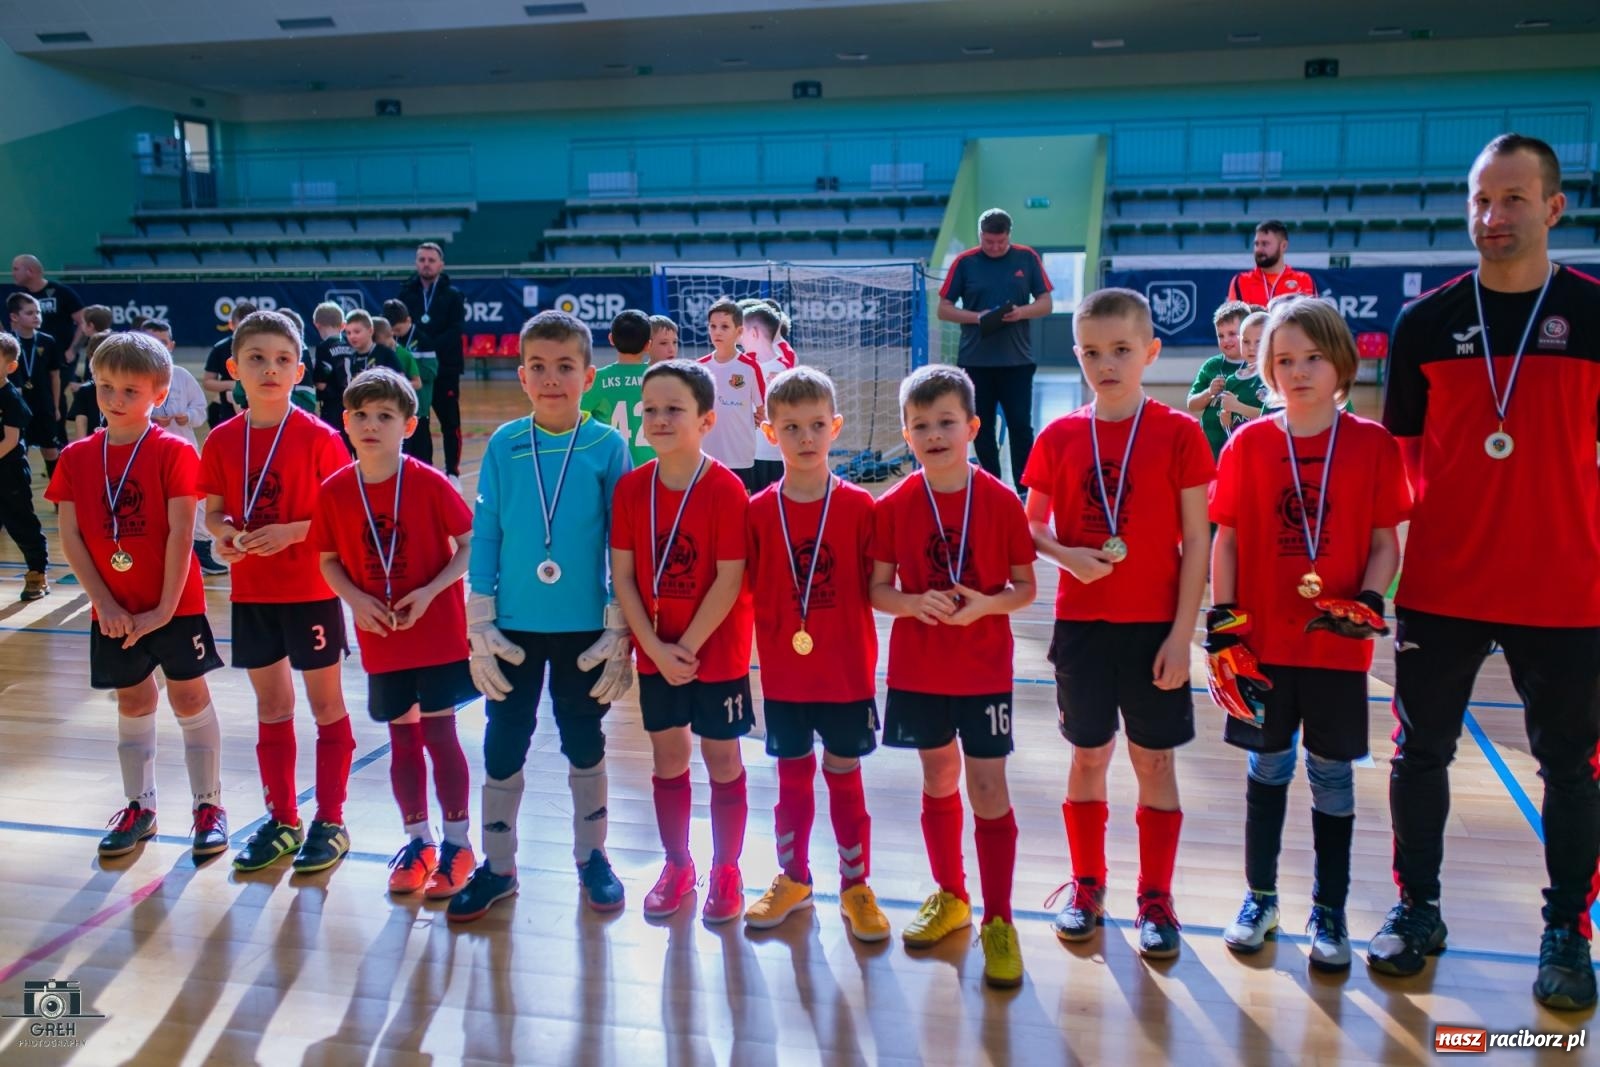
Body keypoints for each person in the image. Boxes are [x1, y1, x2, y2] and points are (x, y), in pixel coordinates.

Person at [1372, 133, 1600, 1011]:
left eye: (1511, 199)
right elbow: (1403, 463)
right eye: (1479, 199)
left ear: (1553, 208)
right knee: (1418, 753)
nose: (1491, 217)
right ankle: (1417, 907)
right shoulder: (1425, 323)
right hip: (1443, 584)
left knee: (1572, 769)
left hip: (1565, 587)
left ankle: (1566, 931)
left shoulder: (1594, 313)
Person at [1208, 298, 1408, 972]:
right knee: (1266, 767)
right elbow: (1225, 542)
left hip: (1334, 648)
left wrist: (1371, 601)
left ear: (1341, 362)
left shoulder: (1373, 445)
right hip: (1262, 647)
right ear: (1265, 369)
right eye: (1283, 360)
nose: (1297, 371)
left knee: (1331, 778)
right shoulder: (1248, 444)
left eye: (1311, 358)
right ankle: (1259, 897)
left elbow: (1386, 543)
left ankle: (1330, 909)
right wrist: (1223, 629)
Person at [1023, 287, 1213, 960]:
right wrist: (1062, 552)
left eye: (1122, 350)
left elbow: (1199, 540)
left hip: (1155, 625)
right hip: (1083, 627)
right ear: (1077, 354)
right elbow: (1032, 523)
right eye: (1093, 352)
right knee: (1089, 754)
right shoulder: (1059, 435)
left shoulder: (1180, 433)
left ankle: (1156, 897)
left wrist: (1182, 635)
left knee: (1154, 759)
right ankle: (1086, 885)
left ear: (1150, 353)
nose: (1107, 363)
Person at [452, 310, 632, 922]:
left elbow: (621, 543)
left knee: (585, 738)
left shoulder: (609, 446)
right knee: (504, 740)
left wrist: (620, 624)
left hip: (584, 627)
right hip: (512, 625)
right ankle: (499, 866)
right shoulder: (504, 444)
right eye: (538, 367)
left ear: (588, 375)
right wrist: (479, 617)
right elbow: (489, 533)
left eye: (565, 367)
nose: (551, 378)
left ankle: (592, 857)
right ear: (522, 375)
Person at [869, 364, 1038, 989]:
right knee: (938, 777)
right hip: (919, 669)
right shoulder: (895, 505)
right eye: (921, 425)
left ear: (972, 427)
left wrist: (988, 604)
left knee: (988, 788)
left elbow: (1026, 588)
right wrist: (913, 604)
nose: (934, 434)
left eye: (946, 423)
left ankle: (999, 920)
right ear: (906, 434)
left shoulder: (999, 500)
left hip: (984, 669)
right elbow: (878, 589)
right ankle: (952, 895)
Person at [45, 332, 228, 861]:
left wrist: (165, 608)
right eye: (106, 387)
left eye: (130, 389)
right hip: (115, 608)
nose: (115, 399)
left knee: (189, 697)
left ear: (159, 391)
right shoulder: (78, 456)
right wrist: (103, 602)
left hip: (174, 603)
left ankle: (208, 806)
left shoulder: (172, 450)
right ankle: (140, 805)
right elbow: (72, 537)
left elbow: (180, 532)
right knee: (133, 699)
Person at [199, 310, 358, 875]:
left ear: (300, 370)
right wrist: (223, 537)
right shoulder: (221, 440)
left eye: (282, 360)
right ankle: (284, 817)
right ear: (233, 367)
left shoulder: (319, 437)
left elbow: (342, 520)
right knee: (271, 706)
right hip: (252, 594)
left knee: (324, 705)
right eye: (257, 359)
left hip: (310, 591)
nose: (270, 369)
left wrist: (291, 532)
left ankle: (332, 819)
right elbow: (214, 510)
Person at [311, 368, 478, 900]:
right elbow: (329, 561)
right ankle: (417, 841)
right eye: (360, 415)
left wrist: (430, 591)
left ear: (408, 426)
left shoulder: (428, 482)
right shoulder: (335, 490)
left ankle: (457, 844)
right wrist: (355, 600)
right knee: (401, 740)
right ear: (345, 422)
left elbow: (472, 545)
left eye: (384, 416)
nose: (370, 425)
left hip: (437, 632)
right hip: (381, 635)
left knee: (440, 735)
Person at [742, 366, 890, 941]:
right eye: (791, 427)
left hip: (846, 673)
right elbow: (739, 589)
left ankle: (855, 884)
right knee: (792, 777)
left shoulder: (859, 507)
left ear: (836, 428)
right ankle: (794, 878)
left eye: (816, 426)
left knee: (845, 776)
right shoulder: (756, 511)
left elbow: (877, 587)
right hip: (783, 675)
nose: (806, 437)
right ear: (770, 432)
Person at [610, 359, 755, 924]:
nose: (661, 419)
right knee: (668, 756)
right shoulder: (630, 490)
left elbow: (729, 577)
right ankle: (678, 864)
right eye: (651, 410)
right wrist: (651, 646)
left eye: (675, 409)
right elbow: (623, 576)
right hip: (656, 651)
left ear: (706, 419)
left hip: (714, 651)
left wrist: (684, 648)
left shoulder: (725, 487)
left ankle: (727, 867)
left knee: (721, 756)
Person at [936, 208, 1054, 496]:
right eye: (989, 242)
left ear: (1009, 236)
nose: (995, 247)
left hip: (1017, 361)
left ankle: (1026, 490)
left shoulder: (1027, 258)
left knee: (1020, 426)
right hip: (976, 362)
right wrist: (978, 317)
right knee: (980, 428)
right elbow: (944, 309)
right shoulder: (965, 263)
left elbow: (1046, 303)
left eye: (1000, 242)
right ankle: (992, 487)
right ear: (980, 236)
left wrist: (1021, 312)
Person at [141, 320, 226, 577]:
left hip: (184, 450)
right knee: (154, 503)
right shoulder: (134, 375)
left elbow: (201, 411)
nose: (159, 346)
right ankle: (155, 557)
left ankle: (201, 553)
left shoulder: (182, 376)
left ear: (172, 345)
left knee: (197, 500)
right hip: (147, 453)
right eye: (152, 341)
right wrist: (150, 419)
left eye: (163, 341)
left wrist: (186, 417)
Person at [397, 243, 466, 485]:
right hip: (415, 372)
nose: (426, 263)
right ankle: (418, 469)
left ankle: (453, 472)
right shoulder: (405, 293)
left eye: (431, 260)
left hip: (445, 369)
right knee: (416, 421)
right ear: (417, 263)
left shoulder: (453, 295)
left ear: (441, 264)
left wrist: (428, 344)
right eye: (422, 259)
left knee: (450, 423)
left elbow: (456, 329)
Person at [696, 297, 766, 493]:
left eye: (724, 327)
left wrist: (759, 417)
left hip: (740, 455)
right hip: (707, 455)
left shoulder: (750, 367)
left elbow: (762, 411)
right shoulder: (699, 367)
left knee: (739, 511)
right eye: (713, 326)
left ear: (739, 331)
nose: (717, 332)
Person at [0, 334, 48, 601]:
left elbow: (10, 439)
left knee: (21, 524)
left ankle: (37, 573)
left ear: (11, 367)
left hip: (9, 475)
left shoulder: (10, 399)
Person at [1186, 301, 1261, 459]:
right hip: (1210, 450)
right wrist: (1209, 392)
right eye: (1221, 335)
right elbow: (1192, 405)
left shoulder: (1258, 370)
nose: (1226, 340)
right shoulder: (1211, 366)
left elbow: (1267, 414)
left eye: (1232, 334)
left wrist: (1237, 406)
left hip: (1244, 451)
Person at [581, 308, 653, 467]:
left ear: (611, 339)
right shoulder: (661, 379)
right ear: (648, 345)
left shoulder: (596, 380)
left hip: (612, 468)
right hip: (653, 471)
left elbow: (574, 422)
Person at [740, 300, 796, 492]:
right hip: (747, 454)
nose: (739, 340)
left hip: (774, 456)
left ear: (754, 334)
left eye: (742, 333)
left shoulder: (783, 372)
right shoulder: (744, 367)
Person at [6, 292, 62, 476]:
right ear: (14, 316)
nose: (36, 316)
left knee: (51, 450)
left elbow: (55, 375)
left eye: (37, 312)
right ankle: (22, 496)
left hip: (43, 404)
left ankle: (58, 501)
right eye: (29, 313)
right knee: (21, 449)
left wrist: (55, 406)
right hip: (17, 405)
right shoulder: (6, 344)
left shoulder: (48, 341)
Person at [384, 299, 436, 463]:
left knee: (422, 455)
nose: (396, 334)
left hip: (419, 406)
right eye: (392, 331)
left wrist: (406, 370)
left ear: (408, 320)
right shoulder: (386, 342)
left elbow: (431, 372)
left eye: (398, 329)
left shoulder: (423, 340)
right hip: (396, 408)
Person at [1227, 221, 1317, 306]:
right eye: (1256, 244)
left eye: (1265, 244)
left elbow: (1313, 319)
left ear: (1283, 246)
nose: (1258, 249)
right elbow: (1233, 321)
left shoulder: (1304, 280)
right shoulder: (1241, 281)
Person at [202, 300, 255, 428]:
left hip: (259, 409)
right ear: (231, 325)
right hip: (229, 412)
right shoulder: (221, 349)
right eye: (240, 329)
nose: (245, 334)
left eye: (250, 329)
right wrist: (231, 385)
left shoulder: (266, 348)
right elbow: (208, 382)